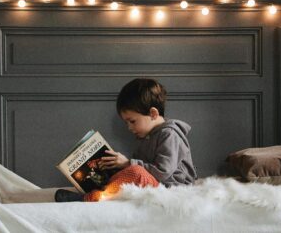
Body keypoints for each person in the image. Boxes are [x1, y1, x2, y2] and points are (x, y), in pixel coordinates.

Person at [55, 78, 197, 202]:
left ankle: (91, 197)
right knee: (125, 172)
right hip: (155, 183)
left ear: (153, 113)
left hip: (171, 189)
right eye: (126, 123)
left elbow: (162, 172)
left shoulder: (169, 134)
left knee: (135, 172)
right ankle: (100, 190)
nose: (129, 127)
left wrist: (128, 163)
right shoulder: (147, 136)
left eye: (132, 121)